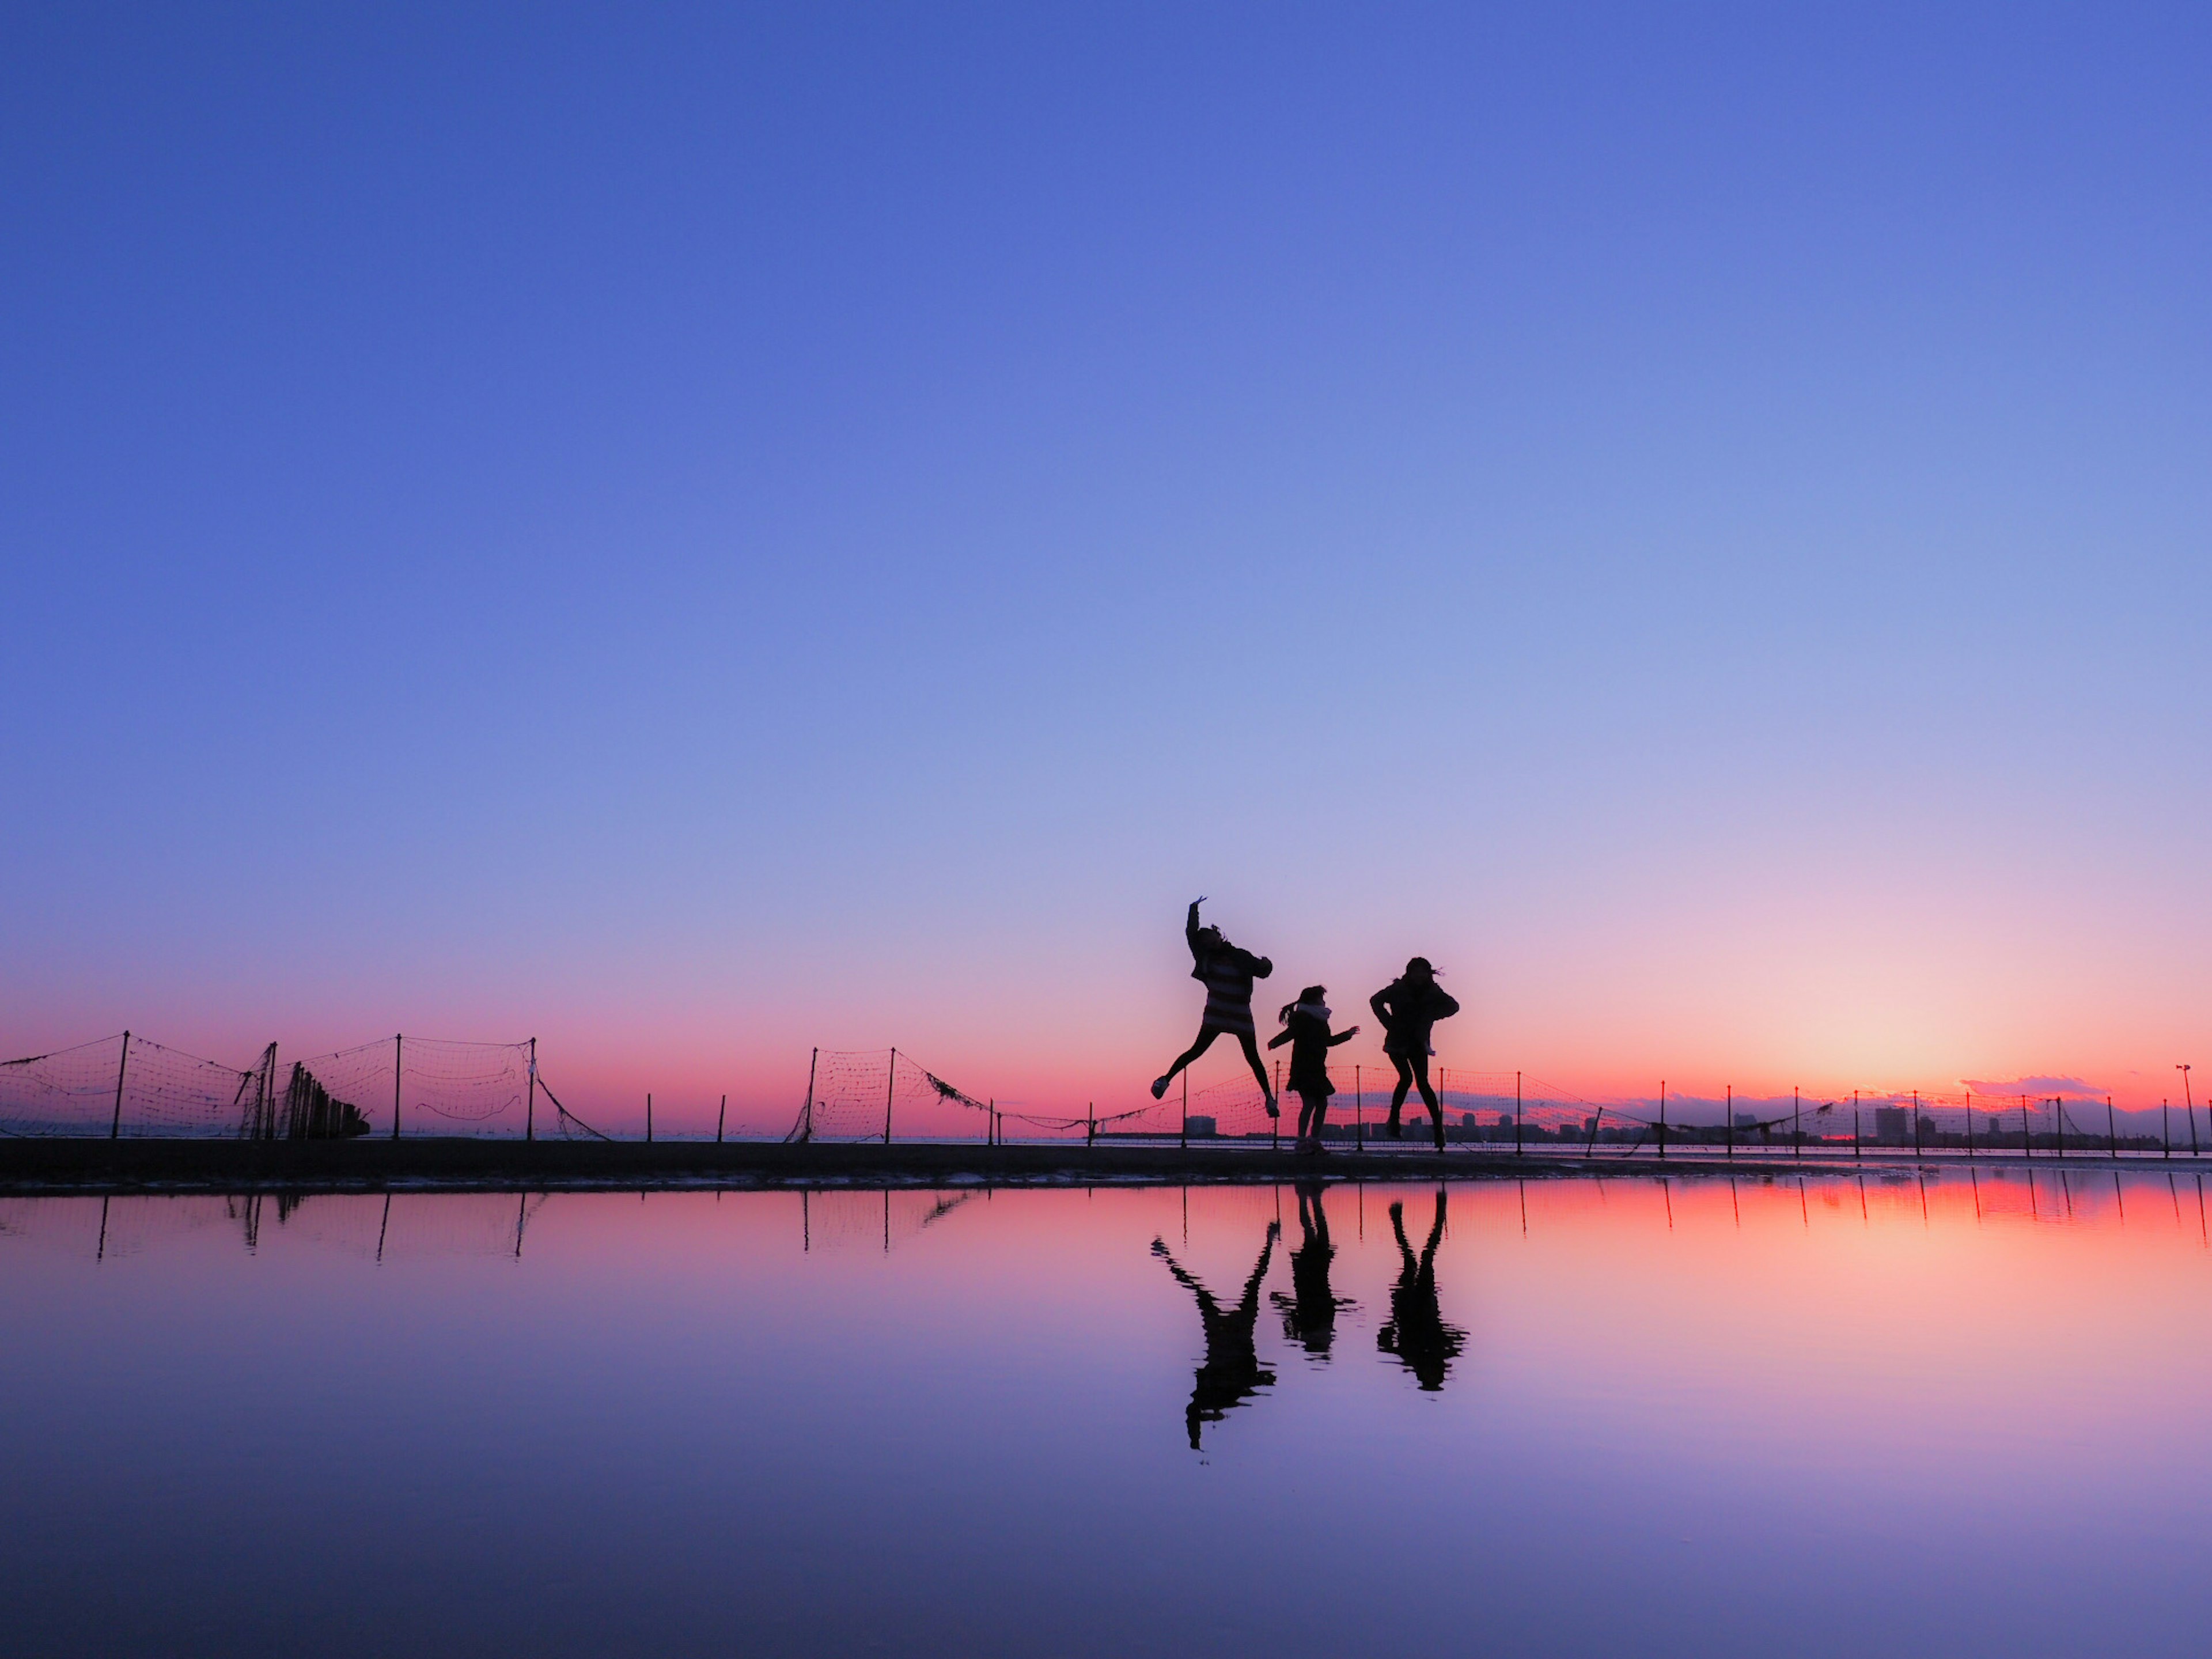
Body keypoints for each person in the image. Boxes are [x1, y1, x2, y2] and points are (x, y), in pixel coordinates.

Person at [1152, 1223, 1279, 1449]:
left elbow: (1194, 1411)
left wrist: (1198, 1433)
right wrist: (1198, 1433)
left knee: (1251, 1282)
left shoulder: (1230, 1394)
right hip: (1229, 1334)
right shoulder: (1223, 1394)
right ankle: (1166, 1256)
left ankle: (1269, 1241)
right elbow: (1193, 1412)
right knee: (1246, 1283)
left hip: (1228, 1333)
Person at [1152, 897, 1276, 1114]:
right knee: (1196, 1051)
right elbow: (1191, 935)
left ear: (1219, 936)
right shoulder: (1205, 957)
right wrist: (1193, 910)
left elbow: (1263, 971)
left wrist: (1267, 964)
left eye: (1211, 938)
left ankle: (1269, 1098)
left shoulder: (1240, 955)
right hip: (1216, 1013)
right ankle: (1165, 1080)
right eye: (1205, 942)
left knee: (1253, 1057)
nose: (1209, 943)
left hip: (1239, 1013)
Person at [1377, 1190, 1465, 1392]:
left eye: (1430, 1377)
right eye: (1435, 1376)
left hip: (1407, 1302)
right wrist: (1453, 1342)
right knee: (1425, 1257)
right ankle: (1439, 1213)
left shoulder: (1410, 1356)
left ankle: (1399, 1219)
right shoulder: (1436, 1353)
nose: (1432, 1372)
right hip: (1424, 1300)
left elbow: (1383, 1342)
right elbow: (1459, 1339)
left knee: (1413, 1261)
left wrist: (1390, 1329)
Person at [1369, 956, 1460, 1147]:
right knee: (1406, 1078)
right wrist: (1389, 1023)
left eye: (1423, 971)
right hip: (1397, 1040)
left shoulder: (1433, 991)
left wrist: (1430, 1016)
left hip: (1418, 1041)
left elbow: (1453, 1007)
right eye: (1416, 971)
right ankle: (1394, 1122)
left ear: (1428, 974)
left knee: (1423, 1082)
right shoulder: (1398, 989)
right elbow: (1376, 1001)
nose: (1419, 975)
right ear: (1409, 973)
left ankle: (1438, 1130)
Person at [1266, 986, 1358, 1153]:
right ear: (1313, 1000)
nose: (1324, 1001)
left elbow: (1328, 1041)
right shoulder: (1303, 1017)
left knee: (1322, 1103)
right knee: (1309, 1103)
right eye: (1321, 998)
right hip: (1304, 1067)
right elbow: (1290, 1033)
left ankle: (1314, 1140)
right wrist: (1274, 1043)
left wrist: (1347, 1034)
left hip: (1317, 1067)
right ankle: (1301, 1141)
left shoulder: (1321, 1020)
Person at [1271, 1179, 1351, 1357]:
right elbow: (1321, 1303)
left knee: (1316, 1228)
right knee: (1312, 1229)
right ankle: (1309, 1198)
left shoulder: (1317, 1322)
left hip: (1315, 1268)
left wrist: (1279, 1301)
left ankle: (1310, 1198)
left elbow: (1324, 1303)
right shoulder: (1315, 1322)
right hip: (1312, 1270)